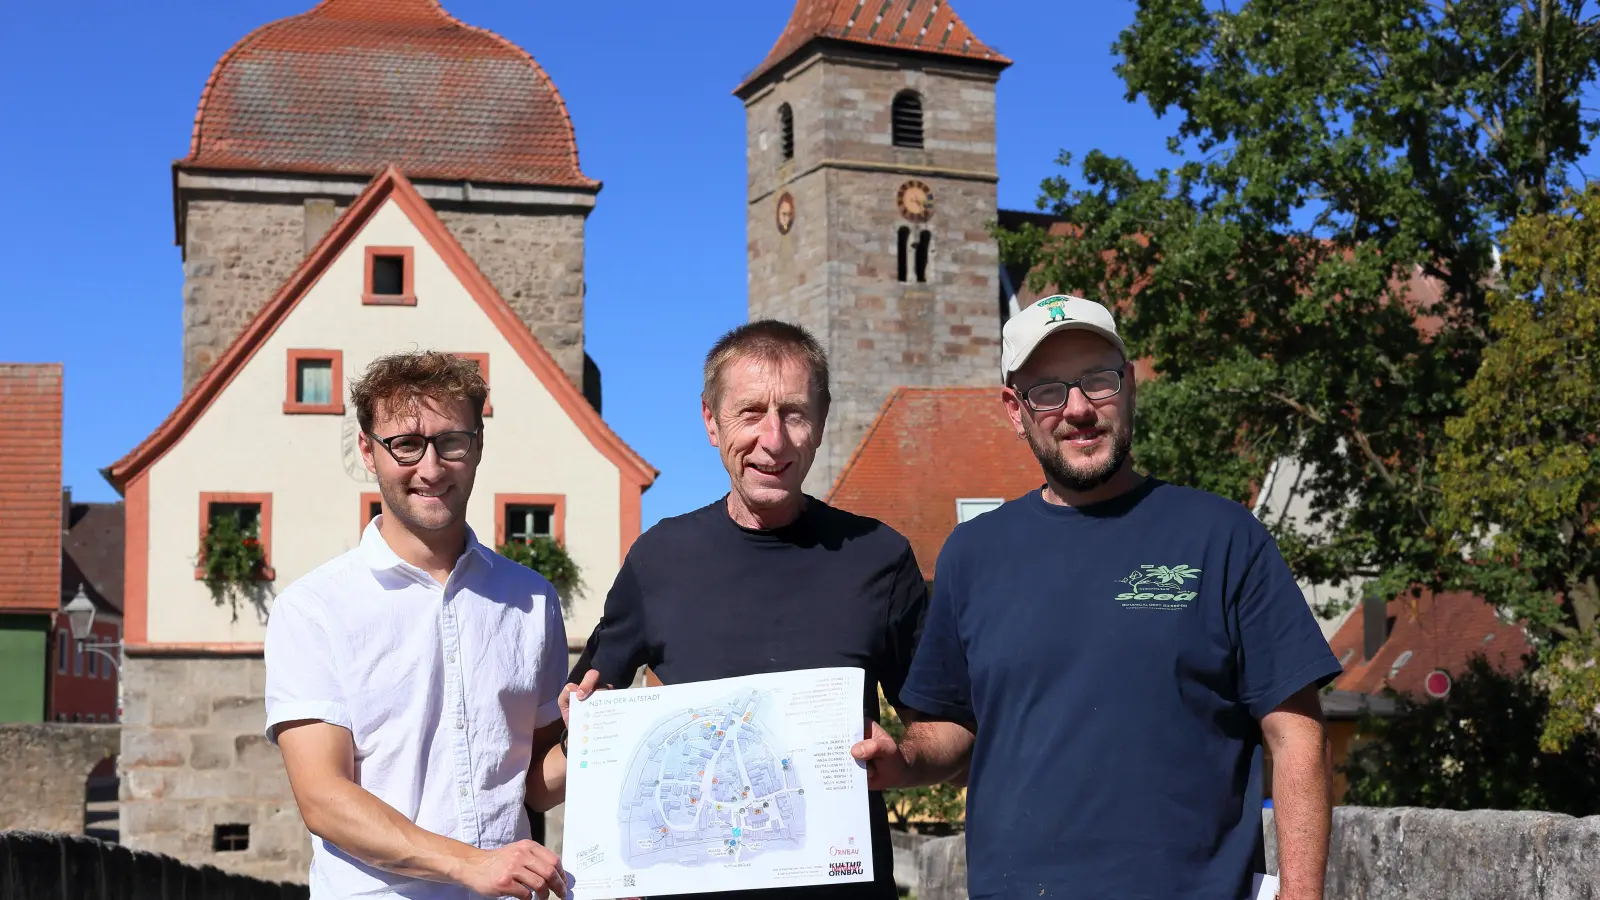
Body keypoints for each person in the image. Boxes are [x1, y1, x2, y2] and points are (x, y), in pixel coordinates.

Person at [852, 296, 1342, 900]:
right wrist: (902, 759)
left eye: (1098, 381)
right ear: (1015, 410)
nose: (1079, 408)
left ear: (1129, 385)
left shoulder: (1221, 537)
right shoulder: (972, 555)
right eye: (1048, 392)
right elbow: (954, 729)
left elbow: (1299, 736)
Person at [566, 320, 928, 900]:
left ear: (821, 421)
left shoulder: (879, 557)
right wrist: (585, 726)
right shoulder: (659, 558)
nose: (773, 440)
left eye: (794, 413)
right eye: (750, 413)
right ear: (711, 421)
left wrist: (905, 760)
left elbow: (949, 733)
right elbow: (585, 720)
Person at [264, 351, 587, 900]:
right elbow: (323, 797)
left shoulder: (532, 600)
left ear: (477, 447)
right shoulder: (313, 609)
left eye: (451, 442)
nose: (431, 468)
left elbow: (531, 785)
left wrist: (607, 734)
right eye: (406, 445)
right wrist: (471, 864)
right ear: (368, 450)